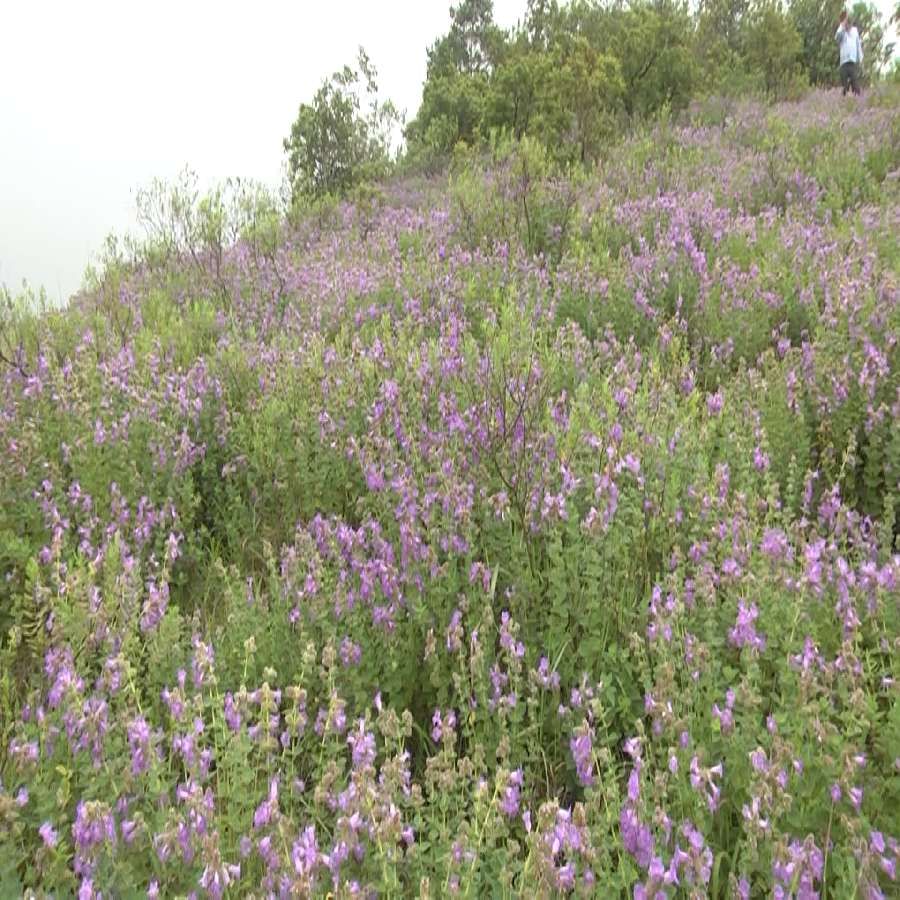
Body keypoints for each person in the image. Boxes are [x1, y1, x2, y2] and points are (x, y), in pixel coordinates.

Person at [835, 11, 863, 96]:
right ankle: (844, 105)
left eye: (848, 20)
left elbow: (858, 45)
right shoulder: (841, 31)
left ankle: (858, 103)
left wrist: (861, 59)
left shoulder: (855, 31)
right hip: (844, 63)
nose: (847, 22)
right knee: (845, 87)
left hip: (852, 62)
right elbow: (837, 39)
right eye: (845, 20)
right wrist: (842, 26)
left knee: (856, 85)